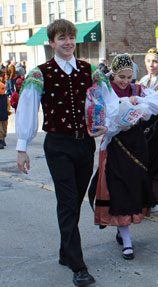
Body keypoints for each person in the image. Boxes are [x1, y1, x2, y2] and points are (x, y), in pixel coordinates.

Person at [15, 19, 110, 287]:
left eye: (71, 37)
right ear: (51, 42)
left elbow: (106, 100)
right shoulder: (40, 73)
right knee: (68, 202)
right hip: (58, 145)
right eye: (61, 38)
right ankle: (78, 266)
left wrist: (107, 124)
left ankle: (65, 252)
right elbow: (27, 108)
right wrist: (21, 148)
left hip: (84, 145)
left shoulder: (90, 70)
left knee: (74, 200)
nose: (68, 43)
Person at [88, 54, 158, 260]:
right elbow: (102, 116)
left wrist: (140, 104)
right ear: (113, 74)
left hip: (137, 145)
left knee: (133, 189)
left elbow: (157, 104)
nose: (124, 81)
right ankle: (127, 241)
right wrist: (120, 111)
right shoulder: (105, 89)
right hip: (116, 145)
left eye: (129, 77)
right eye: (121, 76)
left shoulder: (137, 89)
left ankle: (123, 231)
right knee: (119, 190)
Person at [138, 48, 158, 213]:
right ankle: (146, 195)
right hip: (145, 124)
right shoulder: (143, 80)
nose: (152, 65)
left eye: (155, 61)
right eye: (149, 61)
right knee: (146, 160)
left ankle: (157, 197)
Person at [0, 80, 10, 149]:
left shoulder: (5, 97)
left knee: (4, 128)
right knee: (0, 129)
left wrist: (8, 111)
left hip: (4, 114)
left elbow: (8, 104)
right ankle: (0, 140)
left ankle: (3, 139)